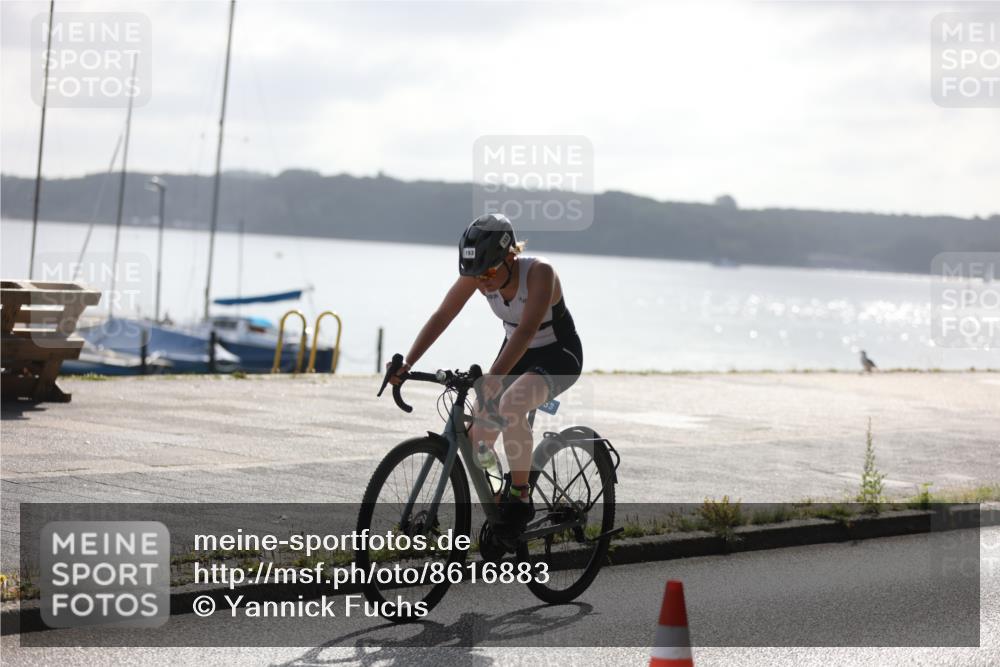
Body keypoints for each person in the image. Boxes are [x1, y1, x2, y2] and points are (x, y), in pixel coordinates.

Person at [387, 213, 584, 533]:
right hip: (514, 355)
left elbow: (526, 331)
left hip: (558, 356)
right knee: (478, 438)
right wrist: (406, 363)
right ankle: (498, 500)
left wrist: (493, 378)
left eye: (490, 271)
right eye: (477, 275)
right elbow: (443, 315)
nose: (484, 281)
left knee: (511, 405)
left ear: (511, 256)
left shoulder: (540, 272)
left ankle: (521, 496)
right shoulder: (480, 272)